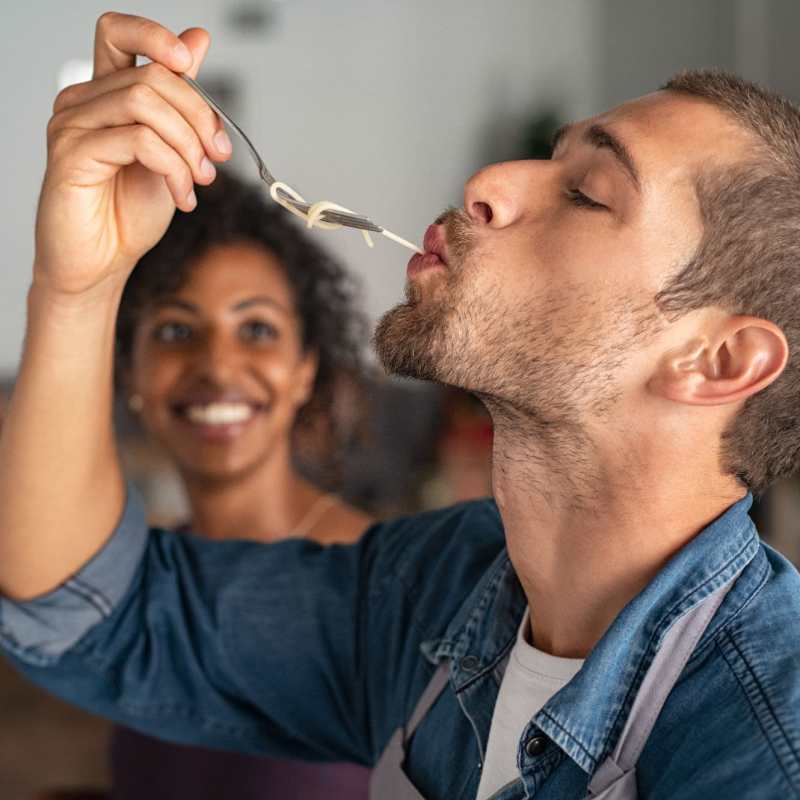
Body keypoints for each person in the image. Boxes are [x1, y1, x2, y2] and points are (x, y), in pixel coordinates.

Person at [1, 12, 799, 800]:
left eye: (587, 193)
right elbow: (85, 615)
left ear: (719, 361)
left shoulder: (765, 748)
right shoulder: (436, 591)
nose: (489, 182)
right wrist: (80, 281)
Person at [115, 170, 373, 798]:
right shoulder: (134, 581)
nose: (218, 367)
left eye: (256, 329)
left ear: (305, 371)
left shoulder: (383, 582)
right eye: (177, 331)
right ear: (132, 375)